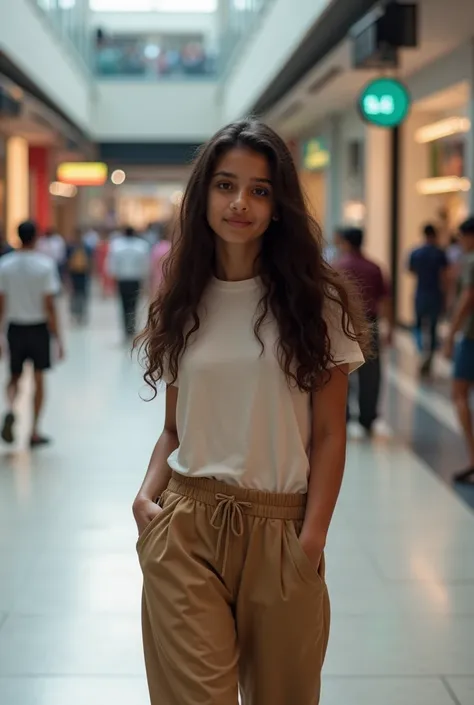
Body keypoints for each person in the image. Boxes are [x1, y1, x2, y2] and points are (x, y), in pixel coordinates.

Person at [132, 120, 367, 705]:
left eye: (260, 190)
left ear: (279, 204)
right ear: (202, 195)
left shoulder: (318, 301)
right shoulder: (180, 297)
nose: (240, 203)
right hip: (186, 525)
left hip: (281, 531)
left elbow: (331, 435)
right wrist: (145, 499)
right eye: (225, 185)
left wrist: (309, 543)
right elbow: (172, 429)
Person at [0, 221, 64, 447]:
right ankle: (34, 431)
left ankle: (9, 408)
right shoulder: (45, 265)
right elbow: (50, 304)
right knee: (38, 379)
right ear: (36, 237)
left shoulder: (5, 265)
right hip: (38, 328)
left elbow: (1, 303)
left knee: (14, 375)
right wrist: (58, 338)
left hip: (15, 327)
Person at [335, 227, 393, 436]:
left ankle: (343, 415)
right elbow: (385, 300)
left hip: (343, 323)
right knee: (371, 373)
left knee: (342, 370)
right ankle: (367, 417)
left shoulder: (339, 266)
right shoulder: (374, 267)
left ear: (346, 242)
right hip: (370, 324)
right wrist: (389, 329)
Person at [444, 217, 474, 484]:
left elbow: (468, 297)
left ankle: (473, 457)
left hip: (471, 337)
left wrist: (451, 335)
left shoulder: (471, 261)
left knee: (459, 394)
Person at [408, 224, 448, 376]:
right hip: (435, 294)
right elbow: (444, 276)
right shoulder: (439, 253)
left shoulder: (416, 252)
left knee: (418, 325)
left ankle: (421, 352)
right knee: (432, 328)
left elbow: (411, 271)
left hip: (421, 293)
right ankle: (428, 356)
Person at [107, 226, 149, 340]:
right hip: (135, 279)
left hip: (122, 279)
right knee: (134, 305)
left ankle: (126, 328)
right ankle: (132, 327)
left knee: (124, 305)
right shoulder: (142, 245)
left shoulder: (116, 245)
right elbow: (145, 264)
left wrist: (113, 276)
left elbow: (112, 263)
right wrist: (145, 278)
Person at [66, 229, 93, 324]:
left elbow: (90, 261)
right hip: (75, 275)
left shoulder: (85, 248)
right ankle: (76, 314)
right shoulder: (71, 248)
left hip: (82, 275)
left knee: (81, 295)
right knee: (76, 296)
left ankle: (81, 314)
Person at [149, 230, 171, 296]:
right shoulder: (170, 247)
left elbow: (152, 265)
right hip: (168, 277)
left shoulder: (156, 248)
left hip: (157, 278)